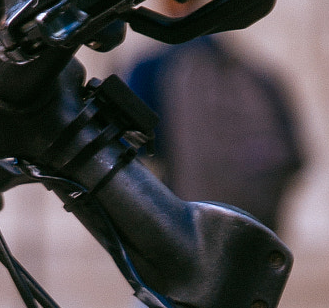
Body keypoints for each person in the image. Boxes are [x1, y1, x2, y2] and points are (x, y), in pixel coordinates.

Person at [127, 30, 306, 233]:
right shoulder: (255, 72)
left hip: (191, 215)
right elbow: (295, 155)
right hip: (257, 215)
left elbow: (132, 151)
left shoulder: (153, 68)